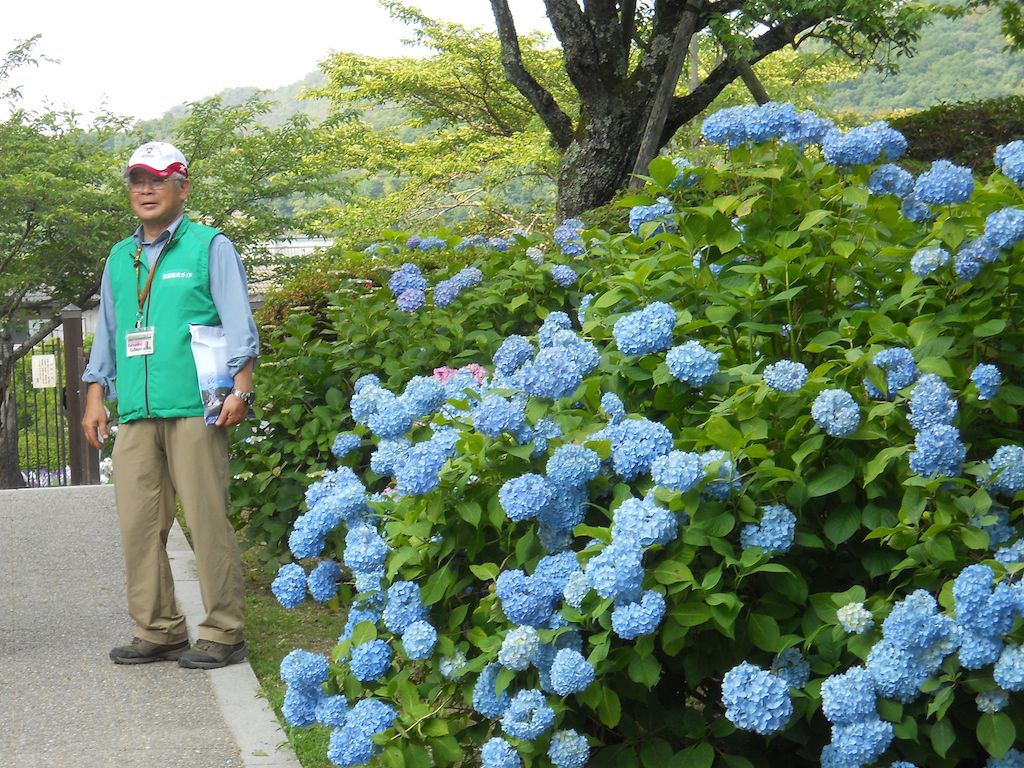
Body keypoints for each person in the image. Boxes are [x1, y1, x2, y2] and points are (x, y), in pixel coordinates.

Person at [82, 141, 258, 669]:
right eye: (138, 180)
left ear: (183, 186)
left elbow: (237, 323)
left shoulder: (210, 246)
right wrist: (96, 394)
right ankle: (157, 628)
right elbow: (109, 333)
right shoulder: (121, 255)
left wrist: (241, 389)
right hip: (137, 411)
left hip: (195, 406)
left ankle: (224, 631)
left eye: (158, 180)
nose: (146, 189)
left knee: (206, 521)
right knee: (138, 525)